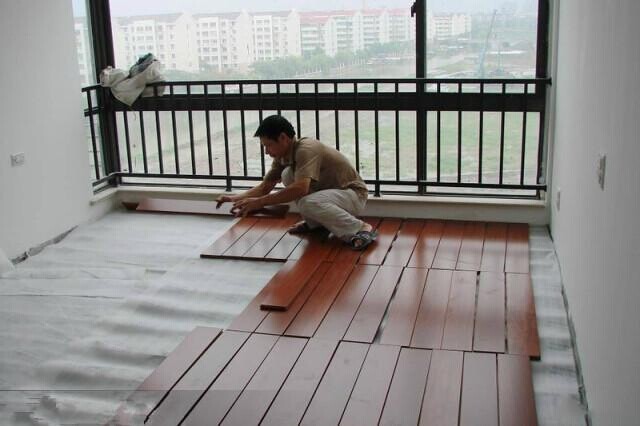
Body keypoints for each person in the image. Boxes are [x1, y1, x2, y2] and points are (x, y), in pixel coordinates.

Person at [217, 115, 377, 250]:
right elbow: (265, 187)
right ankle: (316, 224)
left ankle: (360, 228)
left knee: (307, 200)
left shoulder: (306, 149)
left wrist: (259, 202)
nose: (266, 152)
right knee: (288, 174)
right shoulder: (282, 156)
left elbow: (301, 189)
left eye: (269, 145)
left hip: (353, 195)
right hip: (331, 195)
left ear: (283, 138)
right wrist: (233, 198)